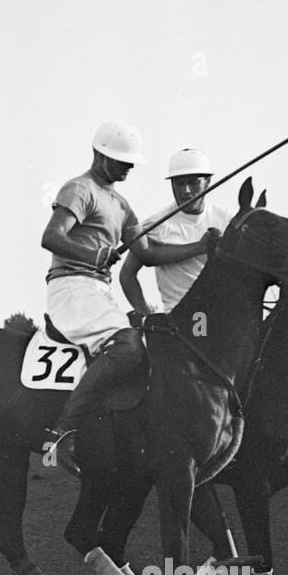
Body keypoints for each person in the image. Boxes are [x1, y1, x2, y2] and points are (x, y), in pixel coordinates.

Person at [40, 123, 217, 476]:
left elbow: (148, 253)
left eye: (131, 163)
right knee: (127, 346)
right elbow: (51, 237)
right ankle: (61, 435)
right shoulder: (80, 190)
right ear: (99, 154)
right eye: (121, 161)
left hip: (98, 290)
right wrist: (92, 255)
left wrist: (199, 247)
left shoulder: (122, 205)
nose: (128, 168)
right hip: (71, 286)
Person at [119, 148, 231, 317]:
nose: (186, 190)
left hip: (226, 313)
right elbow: (127, 274)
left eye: (194, 182)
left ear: (208, 182)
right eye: (179, 183)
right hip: (186, 319)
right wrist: (146, 314)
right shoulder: (155, 225)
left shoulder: (228, 218)